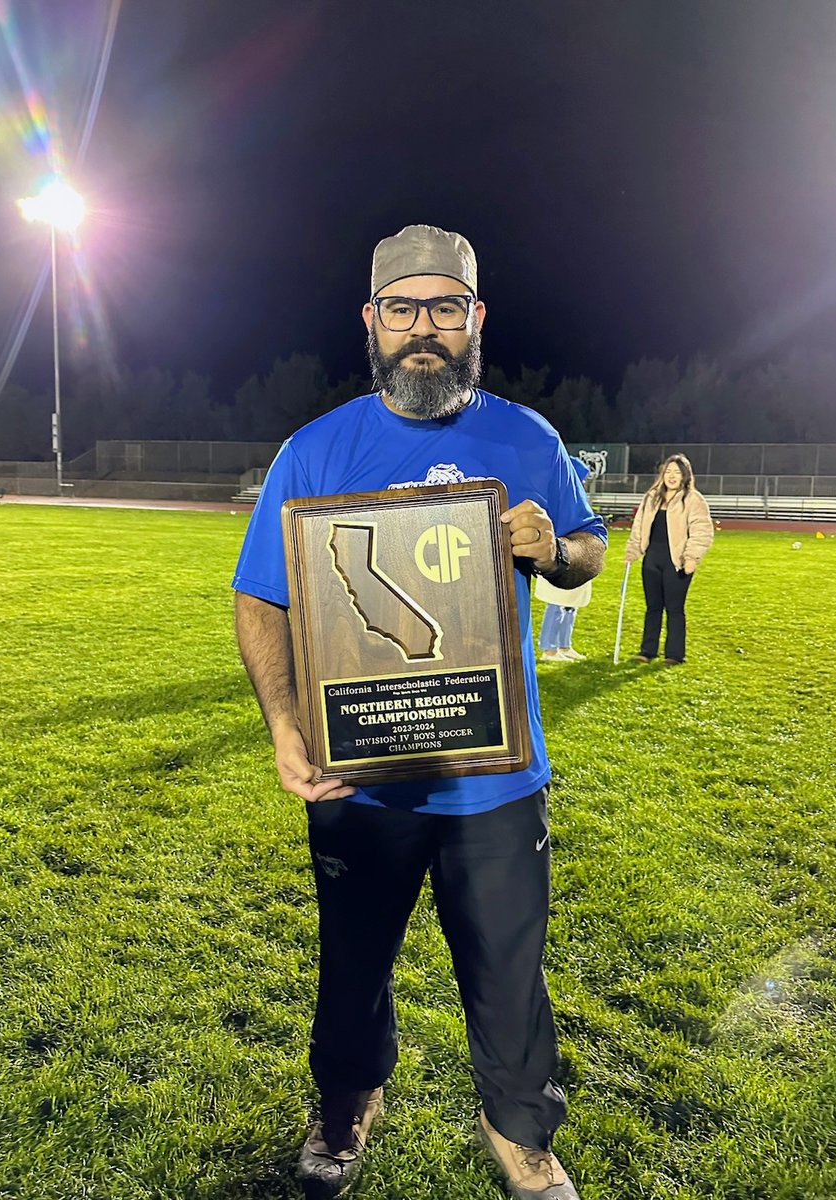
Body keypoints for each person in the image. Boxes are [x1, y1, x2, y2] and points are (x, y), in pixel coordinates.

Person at [233, 224, 607, 1200]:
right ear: (372, 321)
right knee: (350, 969)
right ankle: (350, 1100)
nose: (424, 330)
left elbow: (589, 548)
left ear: (475, 319)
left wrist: (554, 551)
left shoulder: (526, 439)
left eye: (445, 308)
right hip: (362, 784)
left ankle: (522, 1131)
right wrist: (283, 725)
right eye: (403, 309)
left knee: (510, 981)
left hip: (495, 782)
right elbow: (259, 598)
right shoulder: (315, 452)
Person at [624, 453, 713, 664]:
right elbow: (639, 527)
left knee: (674, 608)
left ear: (685, 476)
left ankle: (674, 654)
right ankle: (647, 651)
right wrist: (632, 550)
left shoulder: (693, 499)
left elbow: (702, 531)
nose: (672, 476)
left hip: (677, 562)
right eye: (668, 472)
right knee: (652, 607)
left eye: (677, 472)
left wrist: (692, 558)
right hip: (652, 561)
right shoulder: (651, 497)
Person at [537, 457, 592, 661]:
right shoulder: (557, 499)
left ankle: (564, 644)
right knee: (556, 603)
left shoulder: (579, 499)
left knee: (571, 605)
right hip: (561, 554)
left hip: (578, 554)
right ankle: (549, 648)